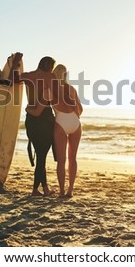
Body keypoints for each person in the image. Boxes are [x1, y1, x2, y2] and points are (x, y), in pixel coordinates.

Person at [10, 53, 56, 196]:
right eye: (52, 67)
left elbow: (13, 79)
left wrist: (15, 63)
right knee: (42, 156)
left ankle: (41, 188)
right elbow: (55, 96)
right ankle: (38, 189)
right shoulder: (51, 77)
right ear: (48, 65)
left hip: (31, 118)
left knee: (40, 155)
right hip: (46, 118)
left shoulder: (28, 76)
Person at [51, 64, 83, 197]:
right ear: (65, 75)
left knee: (61, 160)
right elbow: (80, 109)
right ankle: (70, 190)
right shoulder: (71, 89)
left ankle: (62, 191)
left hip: (60, 123)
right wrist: (73, 115)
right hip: (75, 123)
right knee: (72, 158)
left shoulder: (50, 89)